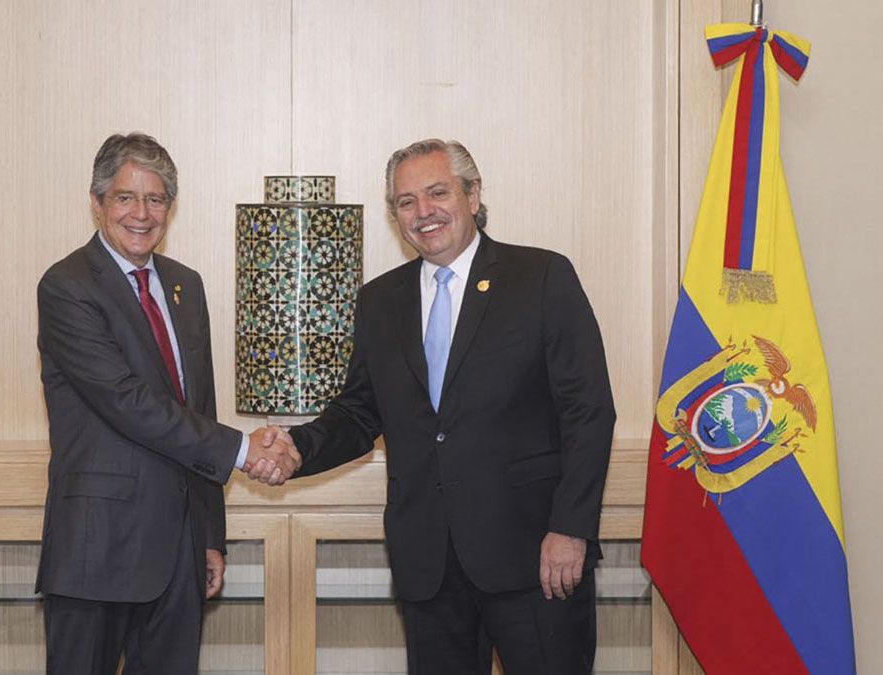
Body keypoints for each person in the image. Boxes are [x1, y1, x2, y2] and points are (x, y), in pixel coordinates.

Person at [252, 139, 615, 674]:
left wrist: (571, 528)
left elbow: (588, 412)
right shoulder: (380, 301)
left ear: (473, 195)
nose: (423, 211)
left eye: (437, 193)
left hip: (535, 555)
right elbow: (358, 412)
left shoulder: (540, 277)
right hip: (429, 563)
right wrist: (296, 447)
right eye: (406, 201)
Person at [35, 132, 299, 675]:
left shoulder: (185, 285)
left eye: (155, 199)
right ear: (97, 201)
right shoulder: (67, 286)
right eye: (125, 197)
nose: (141, 213)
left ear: (170, 208)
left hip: (179, 551)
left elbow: (198, 406)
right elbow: (127, 402)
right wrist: (244, 450)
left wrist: (209, 535)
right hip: (98, 547)